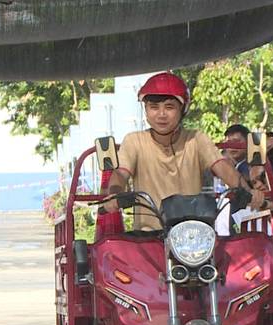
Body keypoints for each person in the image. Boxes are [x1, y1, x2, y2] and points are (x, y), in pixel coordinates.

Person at [104, 72, 263, 227]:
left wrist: (250, 193)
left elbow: (223, 168)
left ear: (183, 109)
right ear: (146, 110)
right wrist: (115, 193)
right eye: (154, 107)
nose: (161, 114)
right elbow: (120, 173)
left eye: (169, 107)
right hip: (148, 237)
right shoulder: (134, 141)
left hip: (195, 234)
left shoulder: (197, 139)